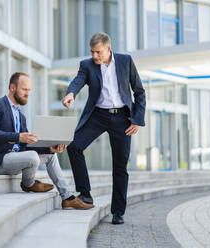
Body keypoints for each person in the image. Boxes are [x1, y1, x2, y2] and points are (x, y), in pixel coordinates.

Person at [62, 32, 146, 224]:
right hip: (98, 115)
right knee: (74, 146)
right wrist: (71, 94)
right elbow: (78, 81)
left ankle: (118, 212)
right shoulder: (87, 65)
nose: (95, 56)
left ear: (108, 49)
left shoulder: (125, 61)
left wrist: (137, 119)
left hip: (123, 118)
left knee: (120, 165)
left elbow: (139, 92)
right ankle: (85, 194)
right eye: (92, 52)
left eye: (98, 52)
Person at [0, 72, 94, 210]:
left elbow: (25, 146)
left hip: (15, 159)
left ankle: (67, 197)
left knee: (51, 156)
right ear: (12, 88)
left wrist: (49, 148)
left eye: (29, 90)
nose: (27, 93)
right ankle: (29, 184)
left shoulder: (21, 116)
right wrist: (18, 137)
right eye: (24, 89)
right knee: (33, 157)